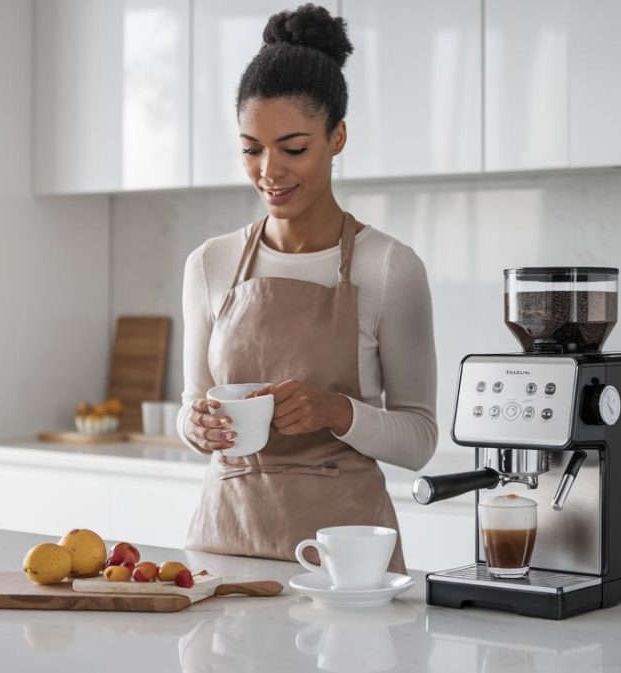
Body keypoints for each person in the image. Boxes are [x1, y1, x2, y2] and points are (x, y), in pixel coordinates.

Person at [176, 4, 436, 573]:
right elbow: (192, 405)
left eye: (293, 148)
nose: (269, 169)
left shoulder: (389, 268)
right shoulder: (209, 264)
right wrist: (193, 425)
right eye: (251, 148)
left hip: (346, 562)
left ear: (337, 137)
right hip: (223, 552)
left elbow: (419, 439)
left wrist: (335, 412)